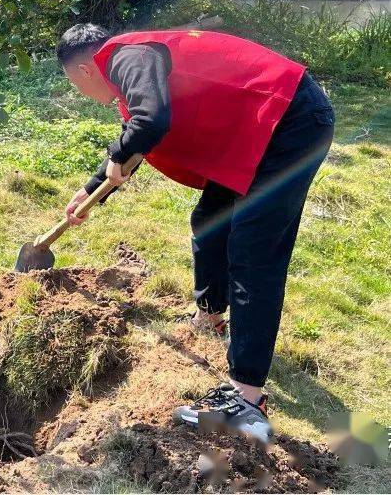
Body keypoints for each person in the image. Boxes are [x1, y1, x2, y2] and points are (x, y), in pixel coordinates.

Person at [56, 23, 335, 443]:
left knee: (253, 252)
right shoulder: (135, 61)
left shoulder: (125, 56)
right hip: (253, 129)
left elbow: (150, 122)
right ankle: (210, 316)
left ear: (81, 71)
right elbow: (143, 133)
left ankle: (246, 401)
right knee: (211, 220)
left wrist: (120, 153)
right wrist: (93, 189)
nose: (79, 92)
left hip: (286, 125)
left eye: (72, 84)